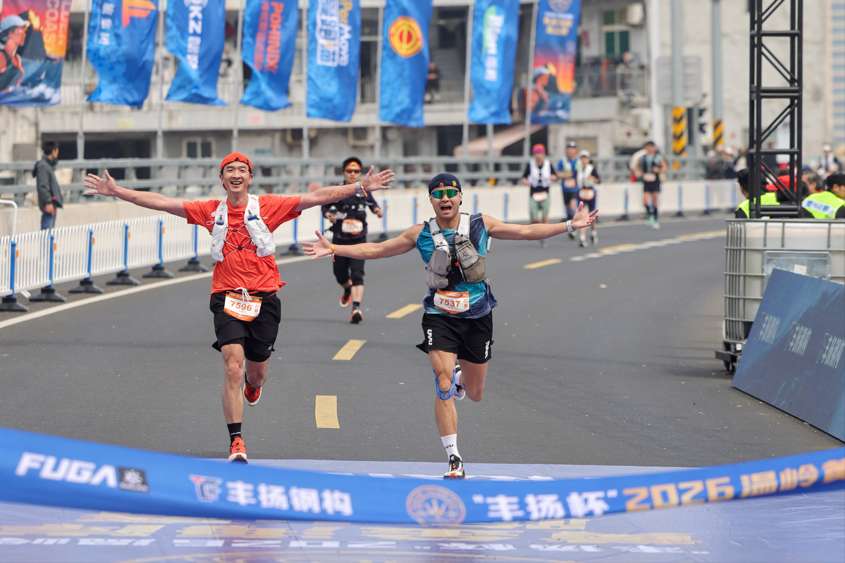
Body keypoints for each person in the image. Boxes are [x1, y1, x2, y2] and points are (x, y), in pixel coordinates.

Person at [83, 152, 394, 463]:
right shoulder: (209, 211)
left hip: (265, 297)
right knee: (233, 364)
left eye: (241, 170)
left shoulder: (268, 207)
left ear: (250, 177)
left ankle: (253, 385)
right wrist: (118, 191)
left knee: (256, 372)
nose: (235, 174)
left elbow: (315, 197)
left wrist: (360, 188)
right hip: (227, 295)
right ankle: (236, 440)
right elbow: (163, 202)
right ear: (221, 179)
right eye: (229, 170)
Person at [303, 173, 598, 479]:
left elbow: (524, 230)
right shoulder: (421, 233)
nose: (445, 198)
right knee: (442, 382)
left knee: (475, 392)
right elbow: (377, 249)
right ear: (430, 201)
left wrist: (568, 225)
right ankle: (454, 457)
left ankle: (461, 380)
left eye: (450, 193)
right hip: (439, 315)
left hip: (478, 315)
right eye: (438, 194)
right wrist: (335, 248)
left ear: (460, 197)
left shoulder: (480, 224)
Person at [321, 157, 383, 323]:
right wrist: (331, 216)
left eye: (356, 171)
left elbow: (373, 204)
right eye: (349, 171)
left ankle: (356, 308)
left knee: (357, 273)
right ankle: (346, 288)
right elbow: (325, 207)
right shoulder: (337, 191)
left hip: (359, 241)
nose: (353, 174)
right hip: (339, 241)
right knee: (339, 274)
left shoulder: (364, 191)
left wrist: (377, 210)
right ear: (344, 172)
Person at [522, 144, 558, 246]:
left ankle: (544, 236)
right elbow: (524, 177)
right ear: (534, 155)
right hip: (533, 193)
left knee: (545, 217)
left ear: (544, 154)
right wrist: (525, 182)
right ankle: (537, 232)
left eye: (540, 153)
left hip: (545, 193)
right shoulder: (530, 165)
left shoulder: (548, 164)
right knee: (534, 217)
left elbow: (555, 176)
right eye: (536, 153)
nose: (538, 156)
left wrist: (553, 178)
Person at [633, 140, 667, 228]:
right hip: (646, 180)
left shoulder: (658, 157)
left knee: (655, 200)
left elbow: (664, 167)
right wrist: (638, 173)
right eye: (647, 147)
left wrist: (658, 170)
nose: (649, 149)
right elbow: (637, 167)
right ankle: (650, 215)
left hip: (655, 180)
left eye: (651, 147)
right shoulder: (643, 158)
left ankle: (655, 219)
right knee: (645, 200)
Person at [33, 141, 63, 230]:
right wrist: (48, 202)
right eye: (57, 151)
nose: (58, 153)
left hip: (52, 204)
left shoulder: (47, 165)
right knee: (47, 235)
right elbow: (43, 186)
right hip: (49, 205)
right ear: (53, 151)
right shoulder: (43, 166)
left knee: (49, 235)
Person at [575, 150, 600, 246]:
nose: (584, 160)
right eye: (582, 158)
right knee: (583, 215)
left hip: (590, 193)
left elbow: (598, 180)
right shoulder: (577, 169)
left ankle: (593, 232)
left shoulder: (592, 169)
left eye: (585, 158)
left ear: (588, 159)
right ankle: (582, 238)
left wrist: (593, 179)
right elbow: (574, 180)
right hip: (581, 193)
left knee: (591, 215)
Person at [0, 15, 28, 92]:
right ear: (10, 33)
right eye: (21, 29)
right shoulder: (1, 57)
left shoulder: (17, 59)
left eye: (24, 30)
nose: (24, 34)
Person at [557, 140, 580, 234]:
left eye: (572, 149)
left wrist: (566, 174)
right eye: (569, 149)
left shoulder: (578, 161)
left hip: (575, 189)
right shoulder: (562, 161)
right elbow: (558, 173)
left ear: (575, 151)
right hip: (565, 188)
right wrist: (568, 174)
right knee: (567, 209)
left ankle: (574, 227)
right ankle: (570, 226)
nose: (570, 151)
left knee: (573, 206)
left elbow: (578, 173)